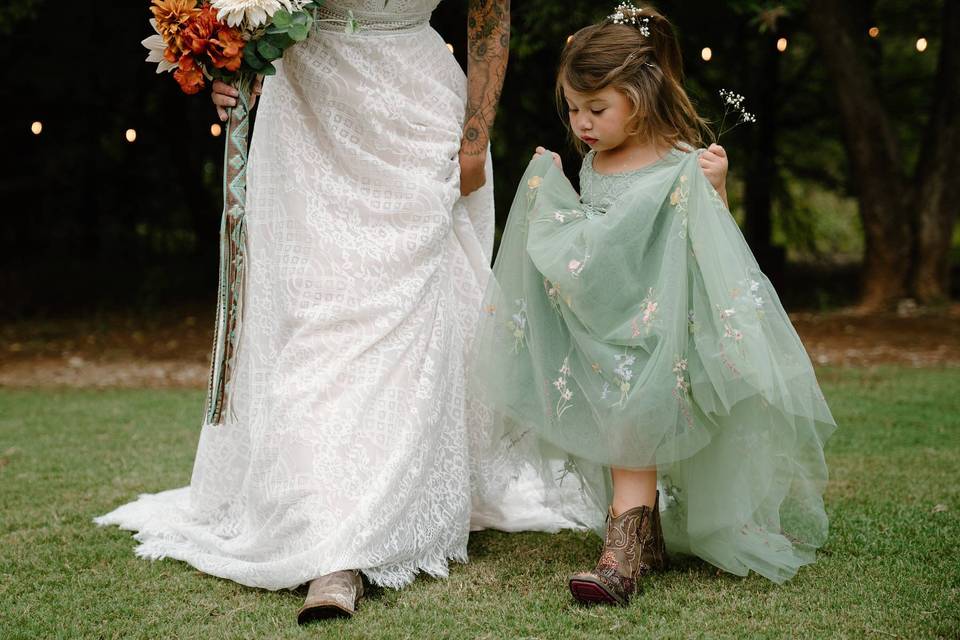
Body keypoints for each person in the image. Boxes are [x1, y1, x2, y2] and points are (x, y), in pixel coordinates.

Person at [96, 0, 519, 624]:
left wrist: (475, 136)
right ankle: (333, 543)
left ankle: (370, 518)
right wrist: (228, 60)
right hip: (308, 113)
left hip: (417, 108)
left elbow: (490, 17)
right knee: (318, 323)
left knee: (407, 316)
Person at [470, 2, 835, 606]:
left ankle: (625, 545)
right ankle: (641, 533)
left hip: (661, 328)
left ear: (639, 97)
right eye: (573, 108)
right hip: (605, 322)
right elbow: (598, 247)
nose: (581, 122)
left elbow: (710, 247)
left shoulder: (677, 162)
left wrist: (713, 187)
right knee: (619, 414)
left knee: (633, 415)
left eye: (597, 109)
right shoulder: (594, 161)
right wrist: (551, 194)